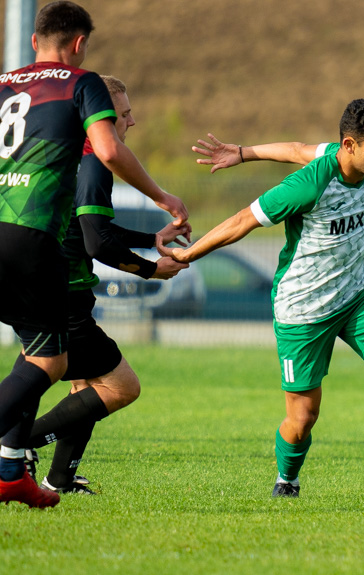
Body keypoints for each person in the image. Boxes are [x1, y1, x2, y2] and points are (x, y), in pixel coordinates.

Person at [169, 99, 364, 498]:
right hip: (304, 309)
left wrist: (243, 153)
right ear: (349, 145)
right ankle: (287, 480)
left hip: (357, 294)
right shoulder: (309, 184)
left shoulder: (357, 161)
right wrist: (188, 255)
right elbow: (243, 220)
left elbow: (294, 148)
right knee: (302, 418)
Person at [0, 1, 187, 509]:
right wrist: (160, 197)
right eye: (122, 114)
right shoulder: (80, 86)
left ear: (35, 39)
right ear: (80, 44)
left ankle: (17, 471)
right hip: (31, 240)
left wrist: (148, 242)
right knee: (55, 365)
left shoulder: (4, 84)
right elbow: (105, 158)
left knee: (46, 363)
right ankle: (12, 457)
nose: (129, 121)